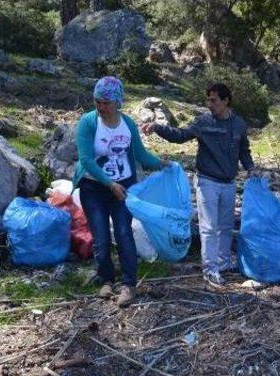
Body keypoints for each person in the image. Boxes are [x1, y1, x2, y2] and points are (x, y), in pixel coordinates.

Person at [141, 83, 257, 286]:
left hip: (229, 182)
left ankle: (222, 263)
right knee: (209, 227)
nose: (209, 104)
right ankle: (210, 269)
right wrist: (157, 127)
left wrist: (251, 168)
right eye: (208, 100)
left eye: (214, 100)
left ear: (226, 101)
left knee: (226, 226)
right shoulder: (203, 122)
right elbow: (180, 136)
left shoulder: (239, 124)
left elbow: (244, 150)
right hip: (207, 181)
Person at [73, 76, 169, 307]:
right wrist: (109, 184)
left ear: (117, 102)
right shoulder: (88, 123)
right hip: (93, 187)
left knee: (124, 232)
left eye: (106, 102)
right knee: (101, 237)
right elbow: (86, 159)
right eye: (98, 101)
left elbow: (140, 154)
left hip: (123, 186)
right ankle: (106, 279)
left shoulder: (128, 125)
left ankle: (128, 284)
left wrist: (163, 164)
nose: (101, 106)